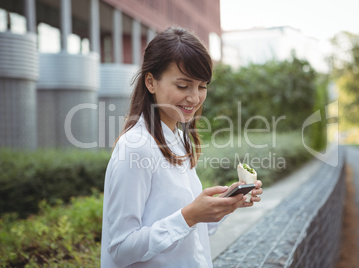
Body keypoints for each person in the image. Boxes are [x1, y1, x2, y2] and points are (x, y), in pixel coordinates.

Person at [100, 27, 263, 268]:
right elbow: (121, 249)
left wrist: (227, 204)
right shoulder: (135, 148)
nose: (195, 98)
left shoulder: (178, 138)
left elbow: (190, 231)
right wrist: (189, 216)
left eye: (202, 86)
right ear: (151, 82)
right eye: (183, 86)